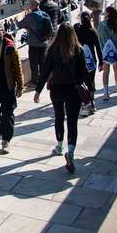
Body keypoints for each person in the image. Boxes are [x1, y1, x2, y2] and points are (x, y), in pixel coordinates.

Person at [33, 23, 90, 173]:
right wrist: (90, 91)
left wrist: (38, 91)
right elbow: (84, 72)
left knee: (59, 116)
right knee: (72, 122)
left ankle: (59, 146)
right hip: (73, 90)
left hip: (57, 89)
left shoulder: (52, 50)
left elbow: (45, 71)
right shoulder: (78, 50)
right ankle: (70, 152)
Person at [16, 0, 53, 89]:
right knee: (42, 63)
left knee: (34, 64)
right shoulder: (45, 14)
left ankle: (35, 82)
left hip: (34, 44)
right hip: (44, 43)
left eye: (30, 5)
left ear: (32, 6)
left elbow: (19, 25)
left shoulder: (31, 16)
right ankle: (44, 80)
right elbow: (51, 29)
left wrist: (19, 21)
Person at [74, 11, 102, 116]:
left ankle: (85, 103)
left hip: (80, 60)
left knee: (82, 82)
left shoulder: (77, 30)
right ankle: (91, 102)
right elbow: (98, 48)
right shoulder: (93, 31)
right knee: (91, 81)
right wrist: (101, 62)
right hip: (92, 60)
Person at [97, 6, 117, 101]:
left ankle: (105, 92)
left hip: (105, 51)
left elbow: (99, 39)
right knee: (116, 69)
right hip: (116, 51)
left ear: (108, 14)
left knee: (106, 72)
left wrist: (101, 50)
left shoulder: (101, 25)